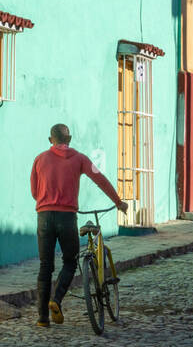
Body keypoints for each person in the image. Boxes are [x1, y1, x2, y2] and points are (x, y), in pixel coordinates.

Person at [30, 123, 128, 328]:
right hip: (67, 218)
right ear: (70, 139)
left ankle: (42, 319)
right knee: (70, 261)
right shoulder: (81, 158)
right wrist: (118, 202)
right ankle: (55, 300)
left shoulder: (39, 159)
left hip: (44, 217)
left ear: (51, 140)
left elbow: (34, 192)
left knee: (45, 266)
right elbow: (100, 179)